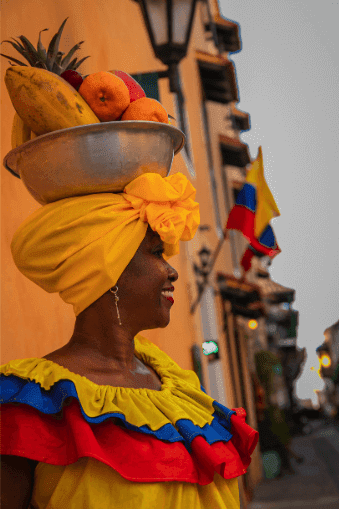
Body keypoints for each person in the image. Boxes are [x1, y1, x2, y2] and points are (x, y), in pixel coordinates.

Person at [1, 171, 258, 508]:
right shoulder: (28, 406)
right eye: (156, 253)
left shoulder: (178, 385)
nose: (172, 271)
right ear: (108, 269)